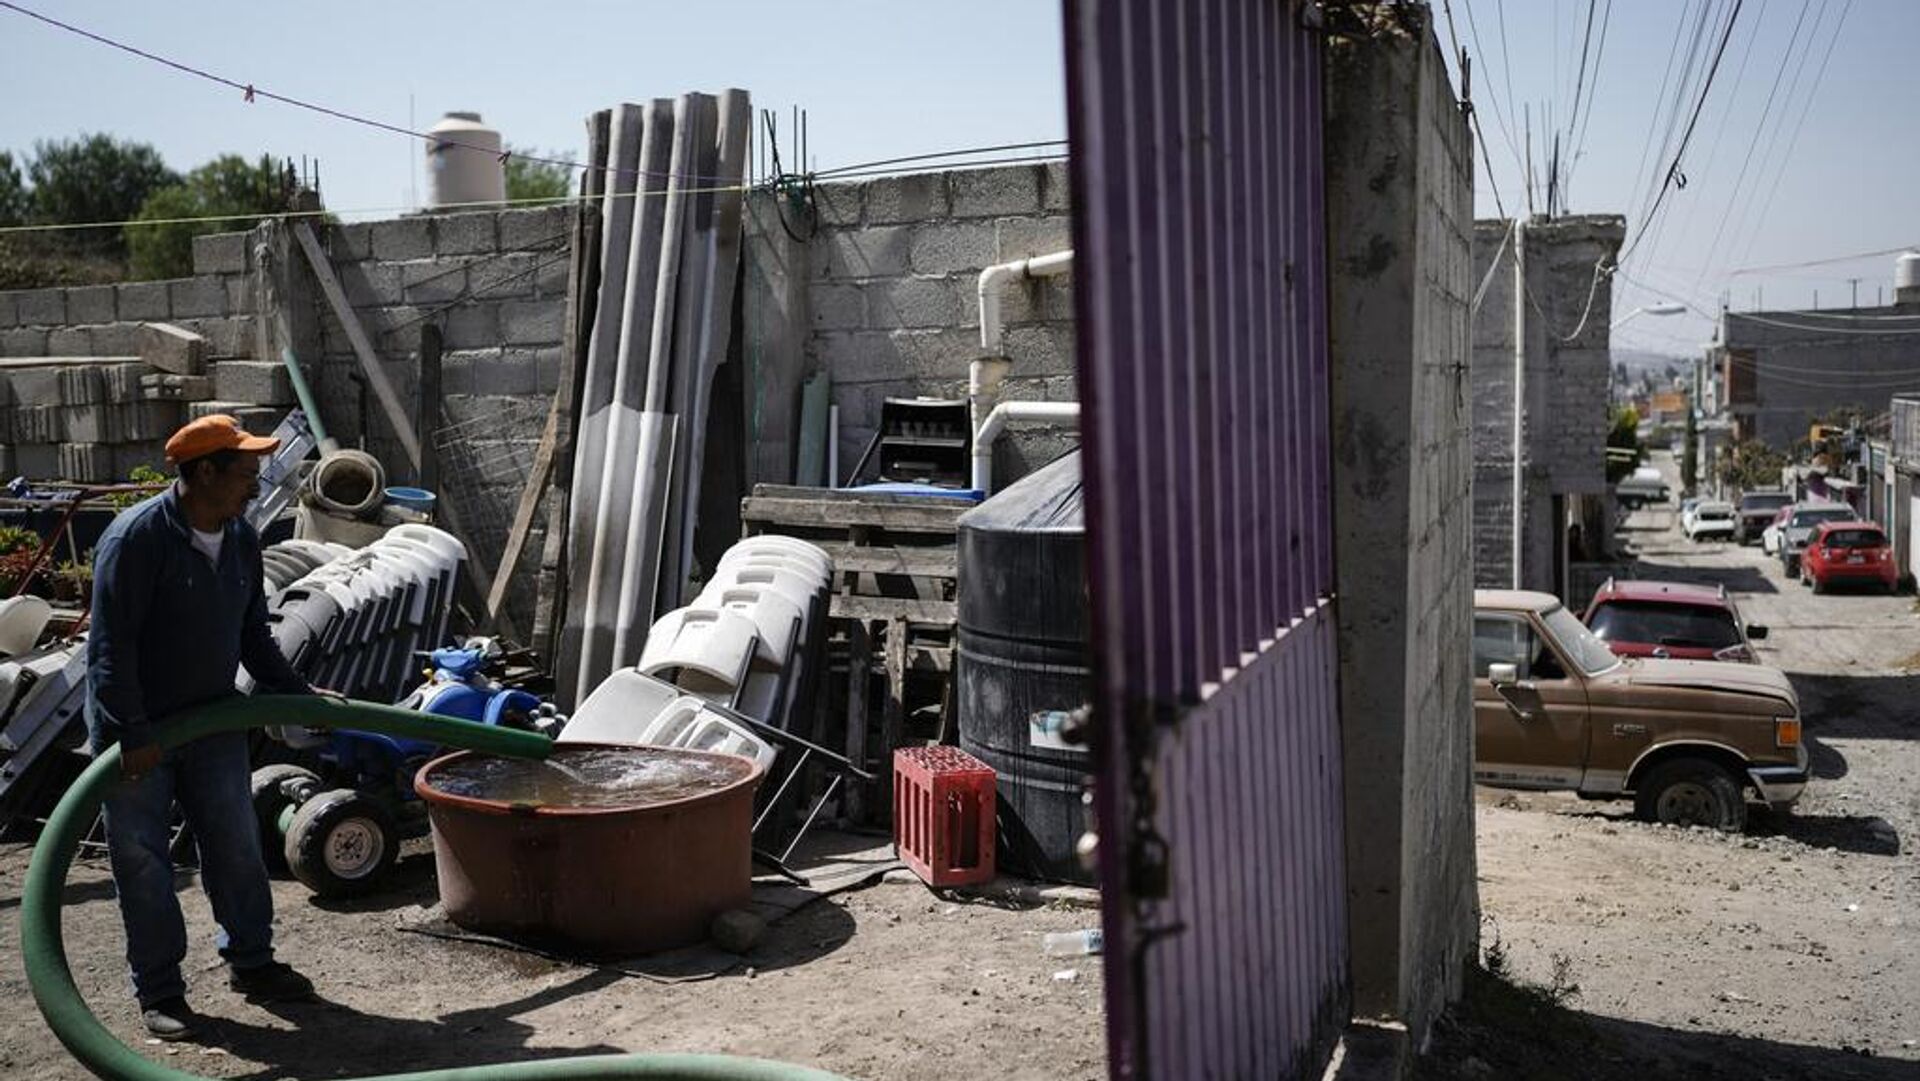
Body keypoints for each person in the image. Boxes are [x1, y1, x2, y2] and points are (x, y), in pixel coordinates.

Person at [87, 415, 319, 1041]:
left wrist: (299, 695)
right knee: (143, 862)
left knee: (237, 845)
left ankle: (252, 963)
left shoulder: (242, 538)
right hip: (138, 730)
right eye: (246, 472)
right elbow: (112, 649)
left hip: (212, 718)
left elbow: (253, 636)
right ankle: (160, 992)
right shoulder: (136, 539)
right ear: (204, 473)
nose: (256, 483)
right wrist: (130, 734)